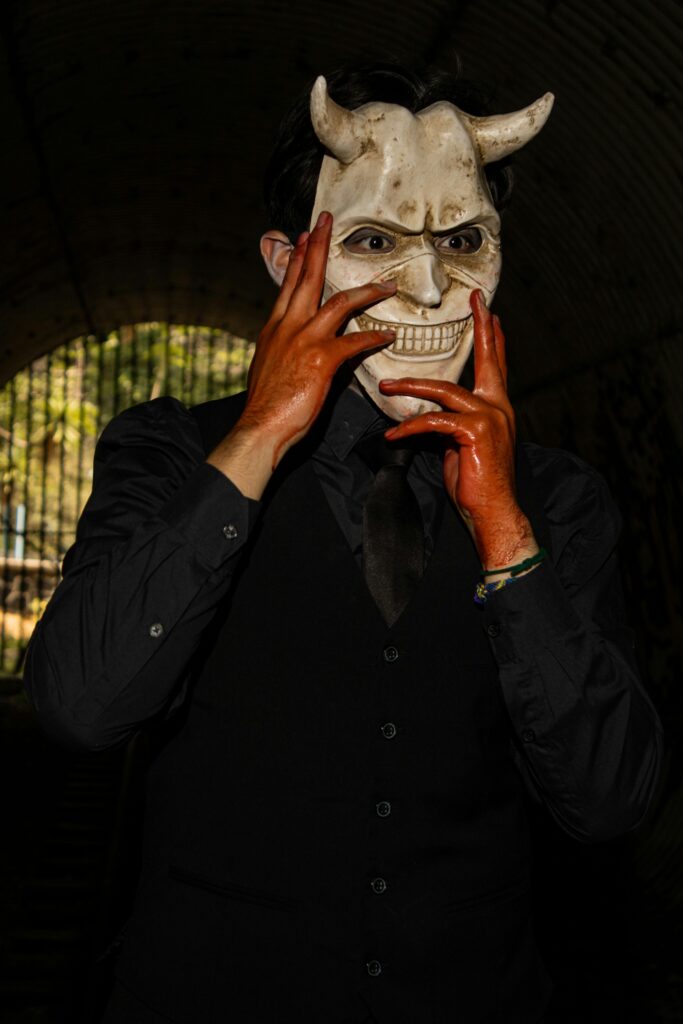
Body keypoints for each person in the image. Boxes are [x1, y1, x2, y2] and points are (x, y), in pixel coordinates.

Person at [25, 62, 663, 1023]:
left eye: (461, 241)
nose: (428, 283)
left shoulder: (557, 498)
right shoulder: (169, 453)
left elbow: (612, 799)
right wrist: (257, 436)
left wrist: (502, 532)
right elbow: (80, 703)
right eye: (373, 240)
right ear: (288, 263)